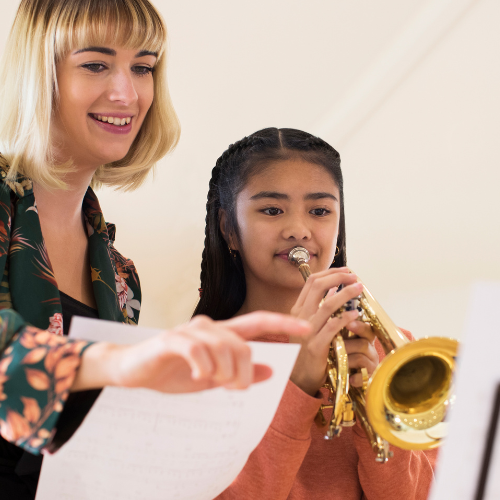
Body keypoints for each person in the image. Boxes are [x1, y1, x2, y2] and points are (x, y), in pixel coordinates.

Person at [0, 2, 310, 498]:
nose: (127, 93)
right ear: (40, 75)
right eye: (96, 64)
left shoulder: (121, 277)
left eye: (142, 67)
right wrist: (120, 363)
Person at [194, 127, 437, 500]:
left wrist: (379, 415)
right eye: (272, 210)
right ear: (229, 229)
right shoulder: (198, 360)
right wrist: (296, 387)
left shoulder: (395, 349)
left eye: (320, 211)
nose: (298, 230)